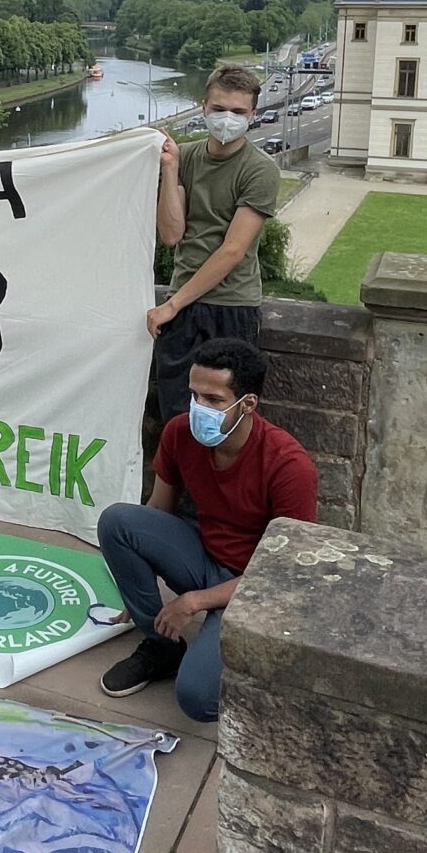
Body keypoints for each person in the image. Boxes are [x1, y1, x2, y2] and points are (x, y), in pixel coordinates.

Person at [98, 337, 315, 721]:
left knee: (198, 699)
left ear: (247, 404)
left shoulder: (288, 465)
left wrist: (195, 601)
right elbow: (155, 513)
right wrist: (138, 593)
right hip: (204, 558)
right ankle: (161, 646)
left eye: (213, 400)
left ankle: (245, 667)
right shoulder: (181, 433)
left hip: (255, 585)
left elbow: (286, 576)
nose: (199, 408)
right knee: (118, 520)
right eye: (194, 395)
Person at [148, 64, 280, 422]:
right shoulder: (186, 158)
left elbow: (233, 251)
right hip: (183, 308)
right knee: (175, 415)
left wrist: (172, 305)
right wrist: (171, 171)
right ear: (203, 106)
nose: (227, 119)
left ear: (253, 114)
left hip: (231, 306)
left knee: (224, 419)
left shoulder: (259, 170)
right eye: (219, 109)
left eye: (238, 112)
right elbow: (172, 234)